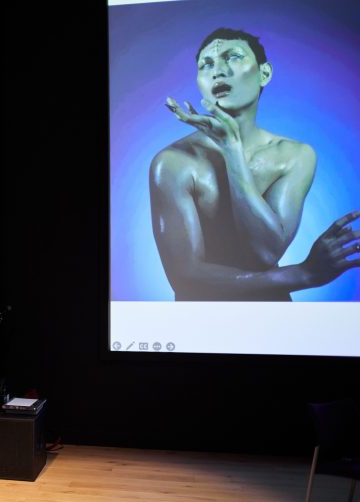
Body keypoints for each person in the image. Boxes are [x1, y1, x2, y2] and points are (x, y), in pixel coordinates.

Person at [150, 27, 360, 301]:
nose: (218, 71)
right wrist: (303, 274)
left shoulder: (294, 155)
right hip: (200, 325)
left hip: (274, 324)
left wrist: (232, 149)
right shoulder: (173, 163)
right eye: (207, 64)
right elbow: (184, 278)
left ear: (264, 74)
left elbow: (264, 253)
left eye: (233, 57)